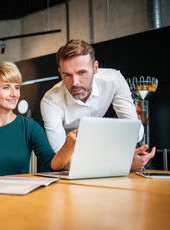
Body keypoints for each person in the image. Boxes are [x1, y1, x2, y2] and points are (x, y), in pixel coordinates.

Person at [40, 39, 155, 171]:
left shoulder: (114, 80)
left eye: (82, 72)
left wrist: (117, 157)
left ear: (95, 68)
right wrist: (121, 162)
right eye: (67, 75)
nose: (75, 82)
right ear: (60, 73)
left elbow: (134, 131)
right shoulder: (50, 101)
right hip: (67, 160)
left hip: (101, 152)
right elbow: (60, 156)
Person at [0, 61, 76, 177]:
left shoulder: (30, 127)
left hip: (21, 193)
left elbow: (51, 164)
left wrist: (68, 145)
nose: (14, 94)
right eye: (6, 87)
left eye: (17, 87)